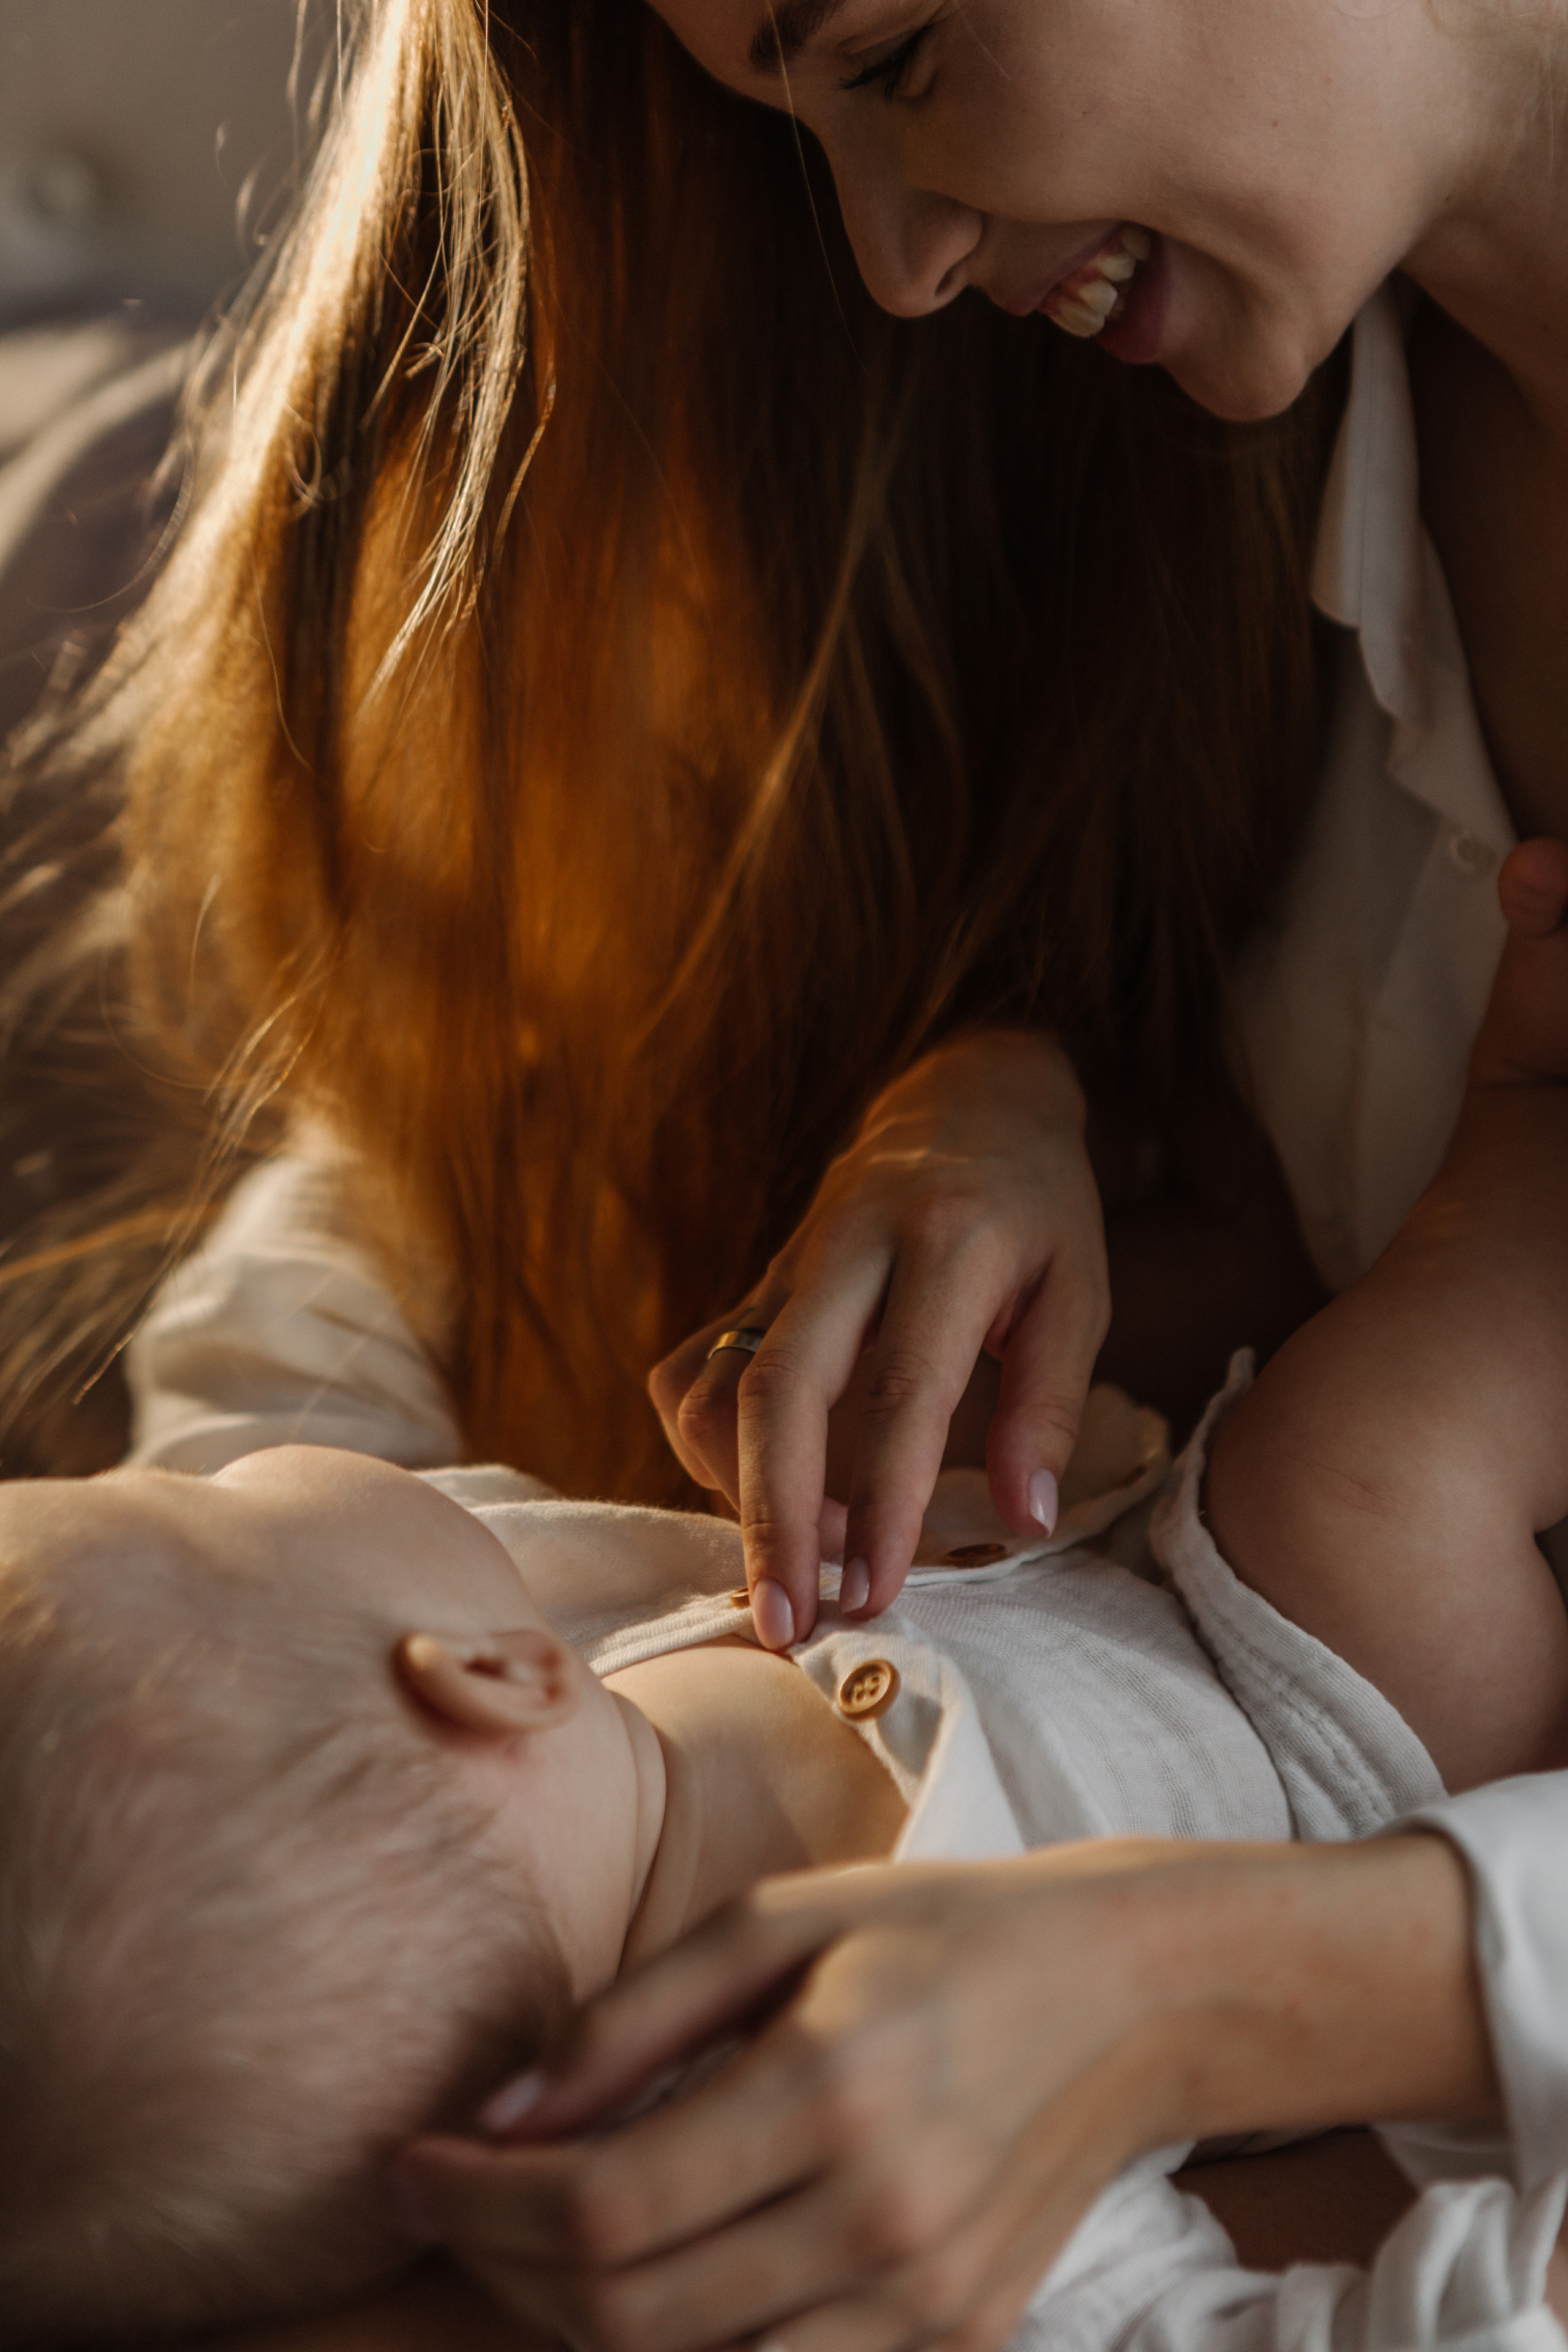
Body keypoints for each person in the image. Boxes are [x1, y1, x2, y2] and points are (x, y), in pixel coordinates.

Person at [9, 0, 1568, 2335]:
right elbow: (419, 1200)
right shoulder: (1104, 429)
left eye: (898, 49)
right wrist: (1010, 1082)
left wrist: (1261, 1992)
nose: (897, 259)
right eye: (805, 116)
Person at [7, 880, 1568, 2348]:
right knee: (1352, 1465)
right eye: (202, 1504)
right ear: (484, 1678)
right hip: (1350, 1752)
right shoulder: (808, 2173)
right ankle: (1532, 1138)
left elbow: (280, 1342)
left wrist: (976, 1116)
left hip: (1159, 1582)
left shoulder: (486, 1739)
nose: (231, 1471)